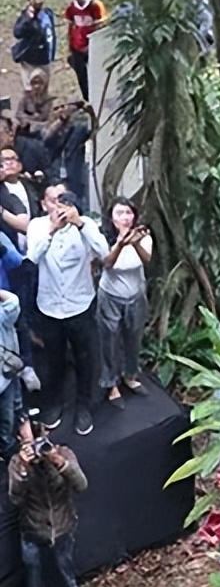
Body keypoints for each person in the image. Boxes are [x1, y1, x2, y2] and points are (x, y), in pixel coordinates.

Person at [27, 184, 109, 436]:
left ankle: (84, 406)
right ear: (44, 204)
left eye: (65, 201)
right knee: (54, 360)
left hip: (80, 304)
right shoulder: (37, 226)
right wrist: (53, 229)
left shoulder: (86, 224)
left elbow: (105, 254)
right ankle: (55, 403)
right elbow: (32, 257)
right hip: (50, 306)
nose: (59, 207)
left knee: (86, 360)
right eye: (54, 201)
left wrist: (81, 225)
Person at [8, 411, 88, 587]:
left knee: (65, 575)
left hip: (62, 529)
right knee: (34, 580)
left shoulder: (63, 452)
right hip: (33, 532)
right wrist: (24, 468)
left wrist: (57, 460)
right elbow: (14, 498)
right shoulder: (16, 463)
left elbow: (81, 485)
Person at [97, 197, 151, 410]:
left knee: (133, 338)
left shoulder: (143, 235)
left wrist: (135, 241)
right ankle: (111, 384)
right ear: (111, 217)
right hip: (110, 296)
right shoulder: (103, 237)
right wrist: (120, 243)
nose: (125, 218)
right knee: (109, 340)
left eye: (129, 213)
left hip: (136, 296)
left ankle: (130, 375)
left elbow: (147, 259)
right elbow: (107, 262)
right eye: (120, 213)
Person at [0, 145, 44, 392]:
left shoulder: (9, 194)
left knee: (17, 316)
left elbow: (25, 223)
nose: (6, 165)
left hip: (9, 264)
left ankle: (25, 366)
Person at [16, 68, 90, 207]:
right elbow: (24, 120)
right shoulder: (26, 100)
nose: (37, 87)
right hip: (38, 150)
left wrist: (60, 118)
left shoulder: (52, 103)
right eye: (34, 83)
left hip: (57, 154)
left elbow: (50, 130)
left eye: (40, 83)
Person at [62, 0, 107, 102]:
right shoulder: (71, 8)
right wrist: (69, 47)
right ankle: (87, 100)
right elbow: (70, 26)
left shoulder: (94, 5)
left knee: (96, 74)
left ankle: (99, 99)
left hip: (93, 45)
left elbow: (102, 23)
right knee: (81, 76)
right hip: (77, 46)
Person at [11, 0, 57, 92]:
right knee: (31, 91)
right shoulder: (26, 17)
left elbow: (51, 34)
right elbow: (17, 33)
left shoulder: (47, 14)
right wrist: (28, 18)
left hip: (45, 59)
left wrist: (52, 53)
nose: (39, 1)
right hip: (30, 61)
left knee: (43, 90)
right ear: (29, 0)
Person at [0, 288, 23, 460]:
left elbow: (12, 302)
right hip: (4, 380)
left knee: (11, 413)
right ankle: (6, 447)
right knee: (6, 418)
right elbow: (13, 301)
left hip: (7, 376)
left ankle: (8, 443)